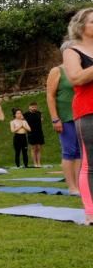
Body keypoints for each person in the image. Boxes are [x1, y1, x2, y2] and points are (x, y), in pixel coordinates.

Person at [61, 7, 93, 224]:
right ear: (81, 26)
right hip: (87, 110)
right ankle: (91, 212)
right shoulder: (72, 50)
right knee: (90, 164)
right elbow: (76, 78)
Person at [47, 62, 82, 194]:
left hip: (81, 115)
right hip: (65, 117)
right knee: (69, 151)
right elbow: (50, 96)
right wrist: (55, 118)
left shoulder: (82, 70)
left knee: (80, 152)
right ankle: (72, 187)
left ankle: (80, 185)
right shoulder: (57, 71)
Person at [23, 101, 45, 167]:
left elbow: (41, 120)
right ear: (29, 107)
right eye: (32, 107)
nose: (34, 108)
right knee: (33, 148)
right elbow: (22, 122)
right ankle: (35, 163)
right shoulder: (26, 114)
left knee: (38, 148)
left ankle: (39, 163)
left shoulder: (39, 113)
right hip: (31, 133)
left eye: (35, 107)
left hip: (39, 132)